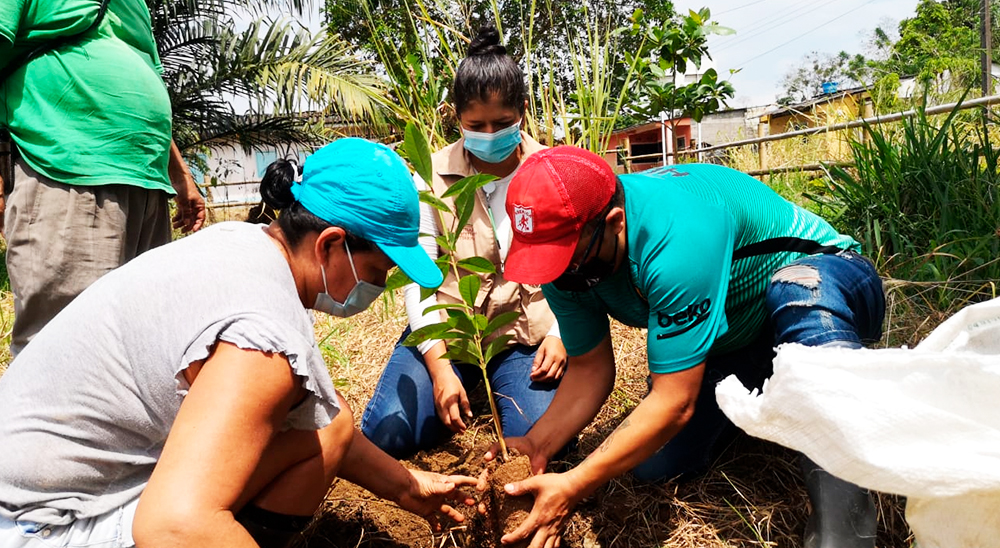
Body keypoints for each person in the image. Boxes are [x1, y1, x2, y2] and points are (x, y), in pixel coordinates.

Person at [0, 138, 478, 548]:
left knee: (328, 424)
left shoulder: (242, 246)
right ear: (330, 245)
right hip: (40, 525)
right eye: (378, 272)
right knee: (201, 515)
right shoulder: (262, 337)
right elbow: (173, 527)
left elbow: (330, 426)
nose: (376, 288)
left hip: (39, 489)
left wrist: (407, 487)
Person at [490, 147, 886, 548]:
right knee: (653, 463)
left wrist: (574, 484)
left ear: (615, 223)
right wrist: (536, 445)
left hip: (832, 284)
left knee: (796, 290)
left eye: (567, 262)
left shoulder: (677, 233)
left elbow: (673, 401)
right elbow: (590, 368)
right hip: (741, 339)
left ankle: (845, 521)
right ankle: (773, 400)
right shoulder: (569, 260)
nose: (559, 276)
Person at [361, 25, 567, 458]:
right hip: (452, 330)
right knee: (386, 436)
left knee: (540, 443)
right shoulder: (431, 176)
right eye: (476, 125)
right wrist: (438, 367)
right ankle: (459, 382)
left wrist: (562, 333)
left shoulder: (552, 172)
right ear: (456, 118)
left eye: (502, 123)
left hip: (524, 336)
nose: (489, 135)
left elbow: (573, 268)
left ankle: (498, 383)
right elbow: (421, 276)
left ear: (523, 112)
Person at [0, 0, 206, 356]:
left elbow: (146, 70)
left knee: (142, 347)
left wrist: (181, 175)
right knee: (65, 346)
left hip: (146, 180)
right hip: (67, 167)